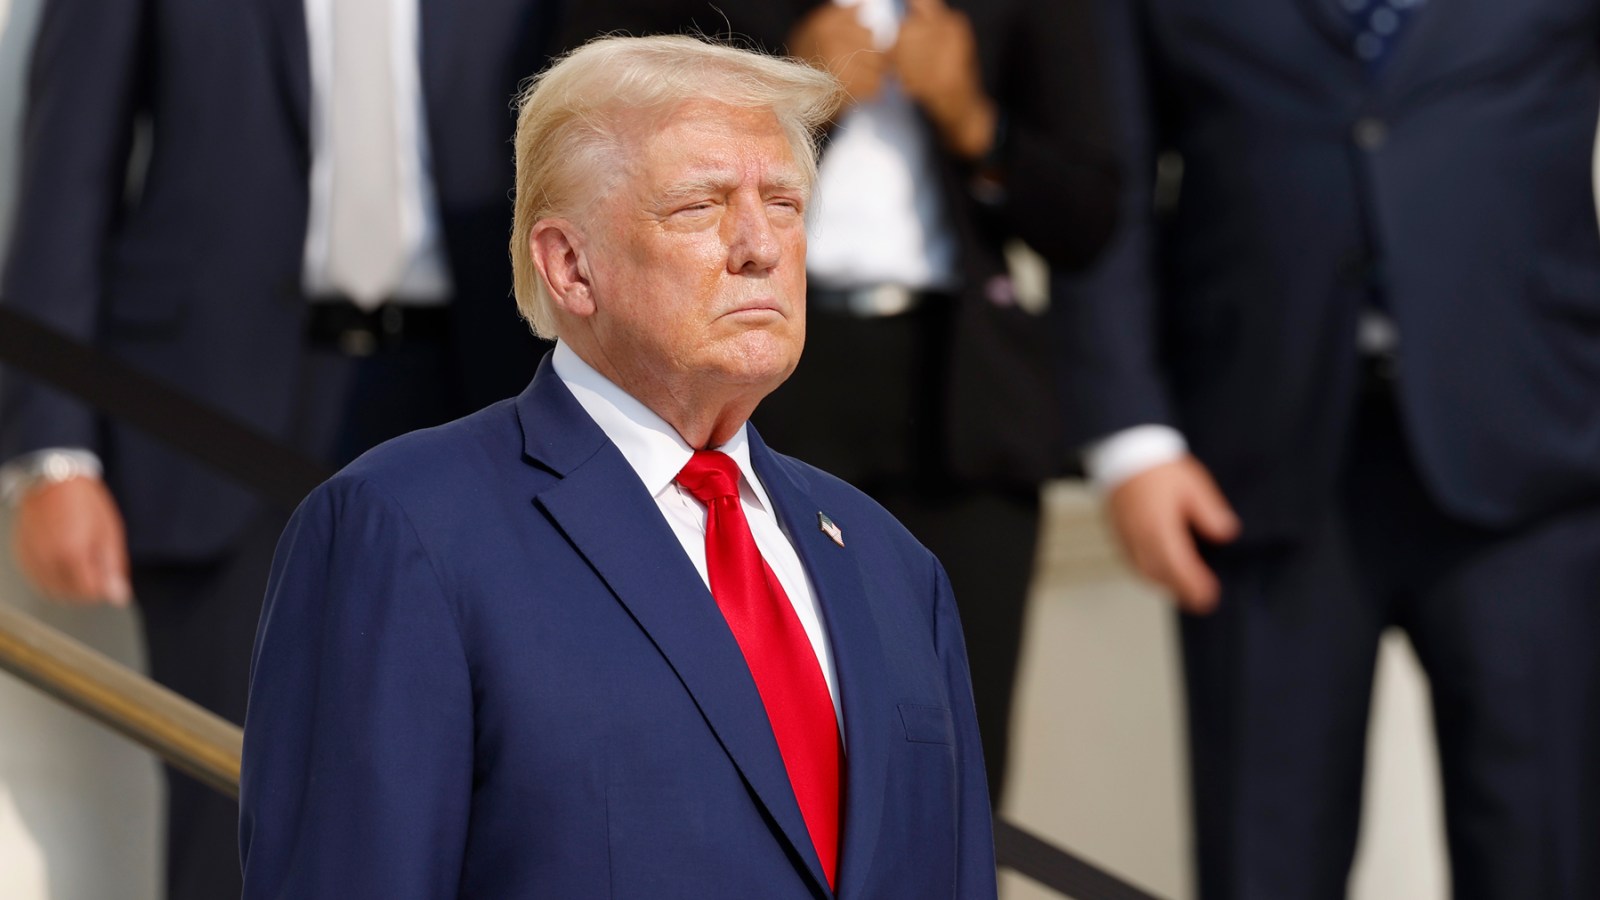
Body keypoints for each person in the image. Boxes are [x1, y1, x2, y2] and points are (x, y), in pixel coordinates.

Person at [239, 35, 996, 899]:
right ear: (569, 266)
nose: (759, 245)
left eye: (783, 203)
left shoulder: (894, 566)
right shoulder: (403, 531)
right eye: (700, 206)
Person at [0, 0, 561, 896]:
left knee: (485, 802)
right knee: (233, 804)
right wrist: (52, 448)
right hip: (207, 419)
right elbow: (68, 170)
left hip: (478, 396)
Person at [1057, 0, 1600, 897]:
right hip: (1251, 467)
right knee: (1263, 863)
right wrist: (1130, 438)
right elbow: (1100, 166)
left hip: (1538, 458)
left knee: (1546, 857)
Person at [560, 0, 1119, 802]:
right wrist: (797, 103)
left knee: (954, 775)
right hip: (742, 382)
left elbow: (1091, 211)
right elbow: (586, 141)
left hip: (963, 403)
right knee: (733, 758)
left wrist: (977, 125)